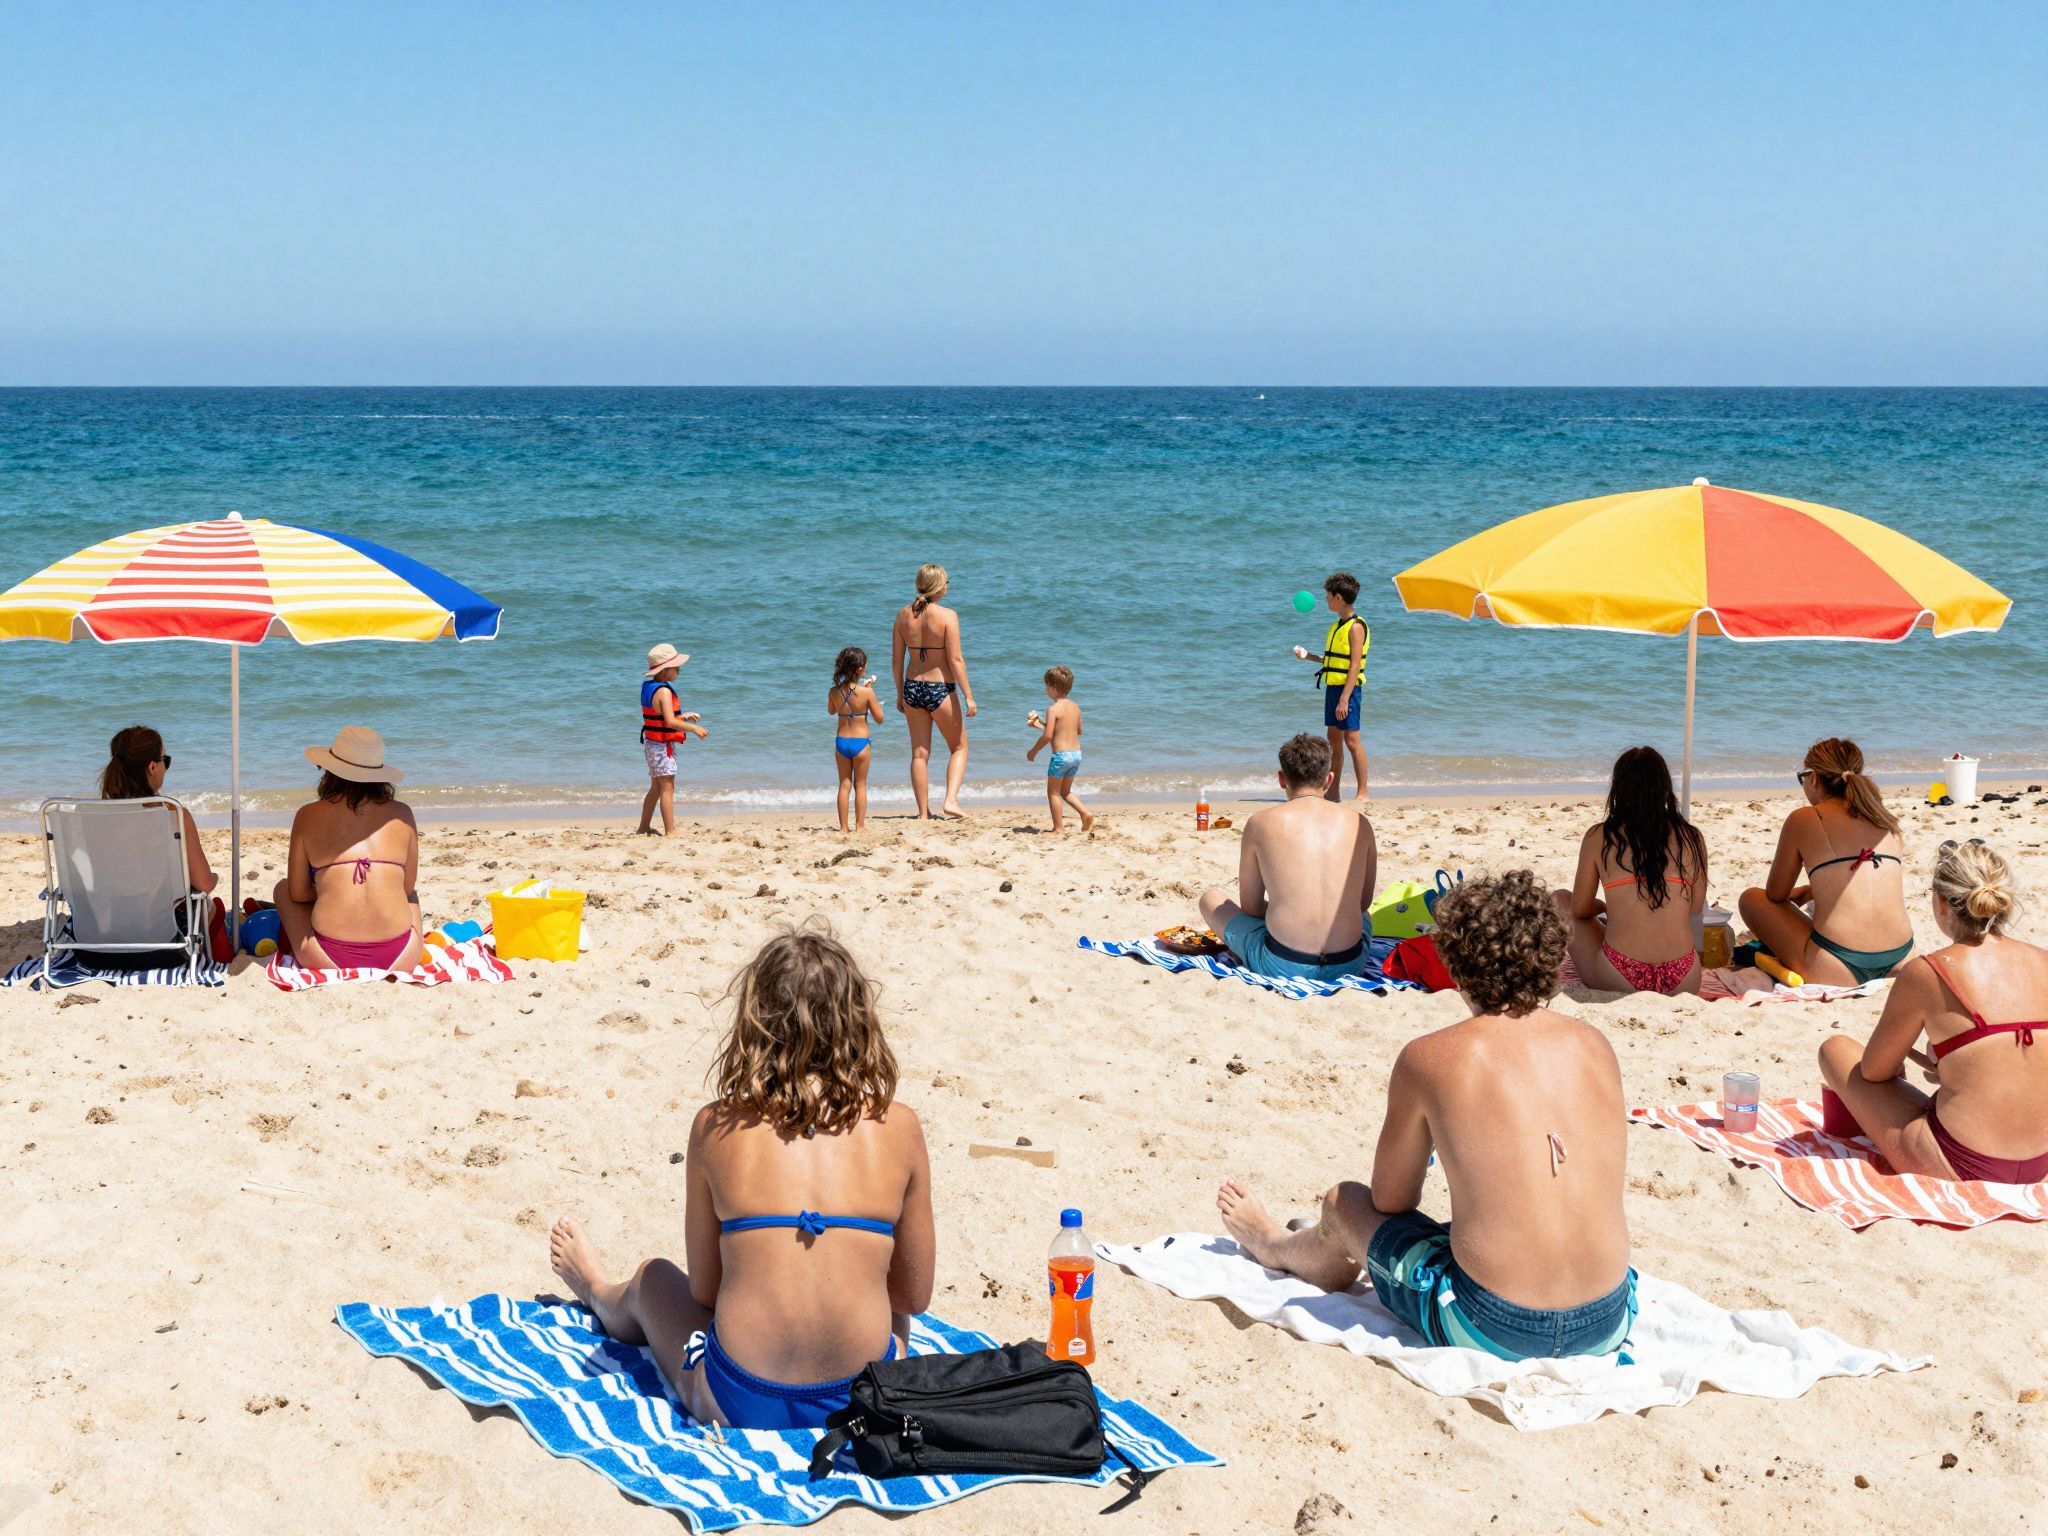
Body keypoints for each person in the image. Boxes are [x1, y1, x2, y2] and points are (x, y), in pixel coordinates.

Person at [1217, 870, 1636, 1362]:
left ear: (1454, 964)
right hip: (1609, 1316)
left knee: (1344, 1204)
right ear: (1551, 956)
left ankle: (1273, 1245)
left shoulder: (1430, 1057)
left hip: (1497, 1325)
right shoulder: (1596, 1045)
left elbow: (1391, 1199)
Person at [546, 924, 936, 1429]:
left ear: (755, 1024)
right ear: (859, 1022)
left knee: (653, 1279)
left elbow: (706, 1291)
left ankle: (597, 1288)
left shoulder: (716, 1126)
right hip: (859, 1399)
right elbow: (913, 1297)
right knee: (890, 1308)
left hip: (741, 1398)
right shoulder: (898, 1126)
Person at [1819, 840, 2048, 1183]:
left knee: (1835, 1049)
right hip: (2039, 1162)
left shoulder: (1929, 971)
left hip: (1964, 1165)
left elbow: (1874, 1071)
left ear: (1941, 903)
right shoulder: (2042, 961)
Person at [1197, 734, 1378, 981]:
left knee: (1211, 898)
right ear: (1329, 779)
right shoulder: (1360, 823)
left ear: (1282, 779)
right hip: (1349, 963)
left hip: (1283, 963)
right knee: (1364, 917)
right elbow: (1362, 904)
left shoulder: (1260, 823)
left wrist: (1288, 906)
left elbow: (1251, 907)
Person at [1739, 738, 1913, 986]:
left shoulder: (1805, 819)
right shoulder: (1886, 821)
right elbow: (1867, 882)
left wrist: (1803, 892)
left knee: (1752, 898)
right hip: (1902, 958)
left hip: (1839, 966)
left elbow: (1776, 894)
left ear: (1814, 778)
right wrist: (1812, 890)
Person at [1553, 746, 1708, 996]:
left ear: (1618, 788)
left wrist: (1603, 908)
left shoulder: (1599, 836)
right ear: (1665, 787)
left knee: (1560, 898)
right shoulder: (1692, 837)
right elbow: (1696, 908)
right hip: (1684, 978)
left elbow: (1580, 909)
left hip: (1620, 975)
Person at [273, 726, 423, 973]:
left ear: (330, 771)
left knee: (283, 889)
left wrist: (328, 889)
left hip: (328, 957)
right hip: (401, 957)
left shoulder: (308, 815)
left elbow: (298, 893)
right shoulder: (402, 814)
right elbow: (406, 888)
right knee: (412, 896)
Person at [891, 564, 976, 820]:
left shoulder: (903, 615)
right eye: (946, 582)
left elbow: (896, 661)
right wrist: (968, 695)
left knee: (919, 753)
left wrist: (899, 693)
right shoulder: (948, 616)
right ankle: (950, 801)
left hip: (912, 687)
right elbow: (956, 660)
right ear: (939, 586)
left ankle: (922, 813)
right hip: (940, 688)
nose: (948, 586)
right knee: (959, 747)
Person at [100, 725, 216, 895]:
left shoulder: (93, 817)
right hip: (163, 919)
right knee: (212, 908)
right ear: (152, 767)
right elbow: (204, 884)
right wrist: (214, 878)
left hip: (102, 916)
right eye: (165, 760)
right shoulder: (175, 815)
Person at [1294, 571, 1369, 802]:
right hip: (1333, 688)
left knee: (1352, 740)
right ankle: (1333, 792)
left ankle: (1363, 792)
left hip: (1348, 690)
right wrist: (1309, 657)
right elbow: (1332, 661)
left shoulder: (1356, 626)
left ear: (1338, 597)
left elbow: (1354, 666)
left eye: (1328, 595)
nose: (1325, 599)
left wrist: (1345, 699)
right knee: (1333, 741)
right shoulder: (1337, 625)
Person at [638, 642, 708, 838]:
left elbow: (661, 715)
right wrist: (694, 728)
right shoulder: (665, 691)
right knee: (668, 788)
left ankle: (644, 827)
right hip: (662, 747)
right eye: (676, 667)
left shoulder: (650, 688)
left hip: (652, 744)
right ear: (666, 671)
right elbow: (669, 721)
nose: (679, 671)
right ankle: (671, 830)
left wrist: (683, 716)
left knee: (655, 787)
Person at [1025, 665, 1092, 833]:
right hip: (1076, 755)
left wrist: (1033, 751)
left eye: (1046, 685)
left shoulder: (1052, 709)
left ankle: (1058, 828)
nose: (1046, 689)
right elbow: (1077, 731)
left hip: (1061, 757)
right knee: (1065, 791)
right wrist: (1039, 725)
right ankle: (1085, 813)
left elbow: (1048, 736)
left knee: (1053, 794)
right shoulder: (1076, 707)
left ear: (1053, 687)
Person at [828, 646, 884, 834]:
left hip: (841, 742)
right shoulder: (867, 693)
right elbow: (879, 719)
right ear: (860, 670)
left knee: (844, 785)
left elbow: (831, 711)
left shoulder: (833, 691)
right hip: (861, 743)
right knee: (860, 785)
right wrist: (869, 695)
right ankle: (860, 826)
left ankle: (843, 827)